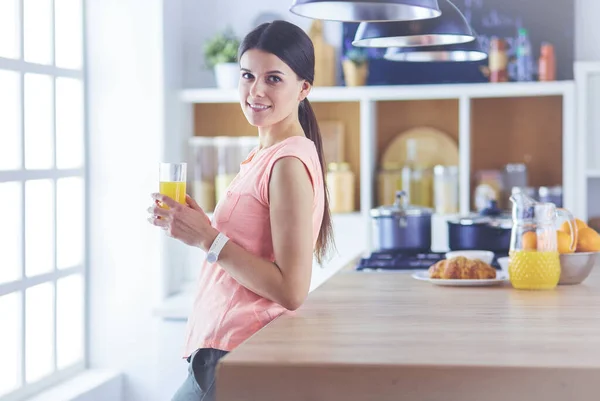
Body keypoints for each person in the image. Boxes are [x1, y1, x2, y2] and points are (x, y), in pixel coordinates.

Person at [147, 20, 334, 401]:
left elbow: (292, 290)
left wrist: (207, 237)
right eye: (248, 75)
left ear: (304, 88)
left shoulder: (287, 164)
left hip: (236, 350)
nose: (256, 90)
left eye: (274, 79)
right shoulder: (265, 155)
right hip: (225, 350)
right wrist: (194, 226)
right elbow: (241, 247)